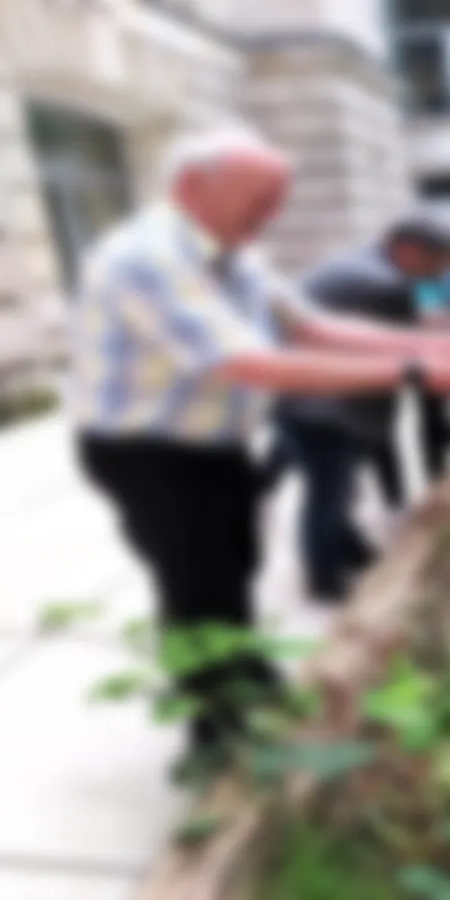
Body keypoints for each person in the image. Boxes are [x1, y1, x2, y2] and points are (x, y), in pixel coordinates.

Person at [68, 127, 450, 780]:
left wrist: (422, 349)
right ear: (194, 186)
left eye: (276, 200)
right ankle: (218, 736)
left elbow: (309, 327)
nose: (270, 215)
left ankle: (245, 673)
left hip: (213, 443)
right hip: (149, 451)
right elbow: (245, 362)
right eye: (260, 199)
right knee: (197, 584)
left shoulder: (232, 252)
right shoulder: (144, 258)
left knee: (236, 561)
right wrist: (415, 371)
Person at [270, 214, 450, 601]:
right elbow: (424, 340)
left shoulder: (369, 262)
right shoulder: (383, 283)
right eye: (439, 261)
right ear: (409, 250)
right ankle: (324, 580)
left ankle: (350, 552)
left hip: (310, 394)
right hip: (321, 404)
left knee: (337, 489)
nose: (442, 271)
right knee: (328, 494)